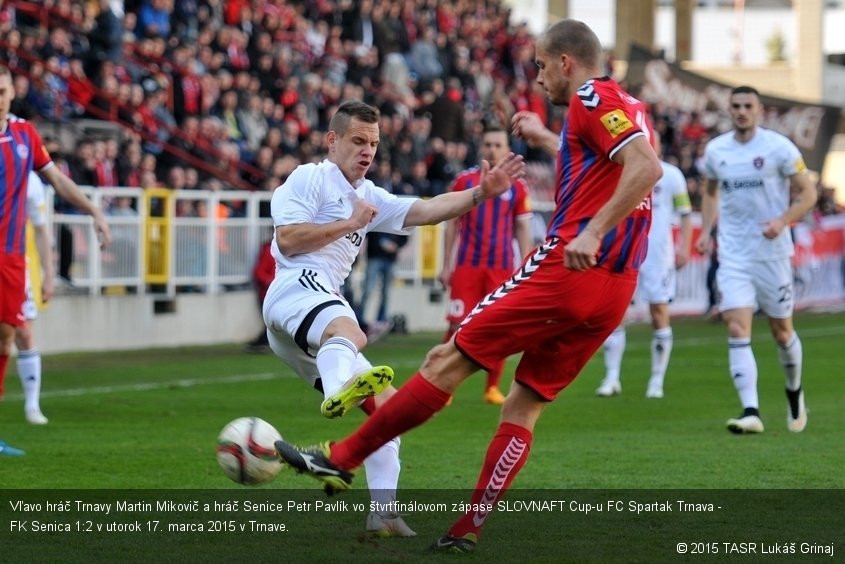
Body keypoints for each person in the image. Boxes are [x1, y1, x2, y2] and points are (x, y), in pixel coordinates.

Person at [274, 20, 662, 553]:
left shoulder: (590, 95)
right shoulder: (625, 104)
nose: (539, 76)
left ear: (566, 62)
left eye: (542, 65)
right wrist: (535, 152)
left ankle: (338, 458)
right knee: (523, 406)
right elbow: (609, 164)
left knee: (442, 362)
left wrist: (592, 231)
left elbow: (645, 168)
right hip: (616, 288)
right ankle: (467, 528)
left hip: (568, 268)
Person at [262, 100, 524, 538]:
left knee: (390, 414)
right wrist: (349, 223)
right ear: (333, 140)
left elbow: (425, 210)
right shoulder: (311, 177)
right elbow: (288, 241)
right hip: (296, 288)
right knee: (351, 330)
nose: (367, 151)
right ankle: (339, 387)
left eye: (374, 144)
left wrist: (480, 193)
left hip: (306, 323)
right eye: (358, 141)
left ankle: (381, 513)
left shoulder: (369, 196)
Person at [695, 85, 817, 434]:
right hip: (733, 254)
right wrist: (705, 230)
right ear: (729, 110)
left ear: (759, 110)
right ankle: (751, 411)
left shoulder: (779, 148)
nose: (741, 111)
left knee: (782, 332)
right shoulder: (717, 151)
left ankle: (794, 392)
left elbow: (808, 194)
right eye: (736, 106)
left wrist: (782, 221)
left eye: (748, 105)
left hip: (773, 255)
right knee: (736, 326)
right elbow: (710, 191)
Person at [0, 65, 111, 412]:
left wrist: (93, 211)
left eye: (2, 92)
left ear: (12, 92)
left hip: (10, 255)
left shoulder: (24, 135)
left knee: (6, 337)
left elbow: (58, 182)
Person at [438, 124, 534, 405]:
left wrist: (526, 267)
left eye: (497, 145)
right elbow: (451, 225)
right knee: (456, 326)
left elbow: (522, 229)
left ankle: (492, 387)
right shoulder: (464, 181)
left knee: (500, 328)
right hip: (466, 267)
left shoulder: (518, 187)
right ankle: (443, 385)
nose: (492, 149)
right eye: (488, 144)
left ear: (507, 150)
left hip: (501, 269)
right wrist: (447, 265)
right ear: (482, 147)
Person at [597, 143, 693, 399]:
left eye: (654, 138)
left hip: (658, 256)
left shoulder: (672, 175)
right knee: (617, 312)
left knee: (659, 313)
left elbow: (685, 213)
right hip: (626, 250)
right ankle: (611, 377)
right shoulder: (622, 170)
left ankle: (657, 380)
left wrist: (685, 246)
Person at [16, 172, 55, 425]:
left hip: (15, 264)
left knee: (23, 332)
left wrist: (49, 274)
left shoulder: (29, 178)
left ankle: (32, 405)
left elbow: (41, 229)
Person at [358, 231, 407, 340]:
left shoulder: (395, 216)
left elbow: (405, 234)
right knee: (368, 290)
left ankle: (380, 323)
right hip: (374, 256)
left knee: (386, 293)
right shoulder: (374, 216)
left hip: (390, 259)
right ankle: (359, 321)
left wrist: (396, 245)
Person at [244, 236, 275, 354]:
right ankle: (261, 343)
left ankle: (261, 343)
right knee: (271, 323)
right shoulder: (269, 249)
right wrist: (273, 282)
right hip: (267, 294)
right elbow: (259, 272)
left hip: (274, 294)